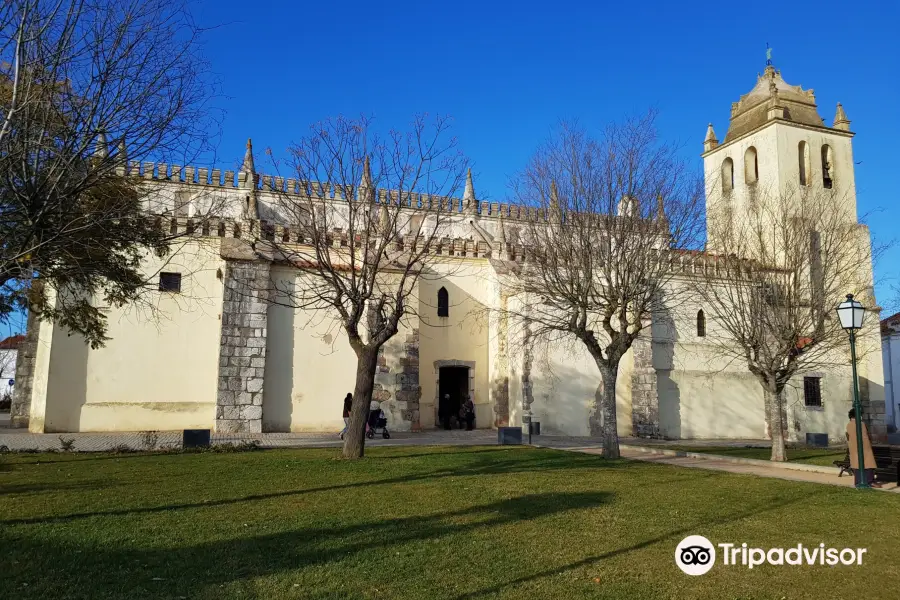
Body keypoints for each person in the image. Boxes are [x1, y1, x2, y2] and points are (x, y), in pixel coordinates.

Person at [847, 408, 881, 488]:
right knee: (869, 464)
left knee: (857, 465)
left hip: (854, 448)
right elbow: (865, 436)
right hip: (864, 447)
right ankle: (870, 481)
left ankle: (858, 481)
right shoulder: (860, 424)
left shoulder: (848, 424)